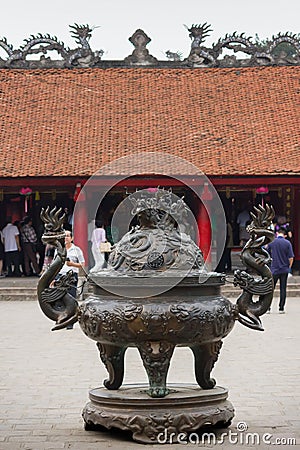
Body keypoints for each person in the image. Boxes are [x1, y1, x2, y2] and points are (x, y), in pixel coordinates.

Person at [55, 230, 85, 328]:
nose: (66, 238)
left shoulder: (76, 250)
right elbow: (55, 264)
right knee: (59, 299)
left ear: (72, 238)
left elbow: (82, 264)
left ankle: (70, 322)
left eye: (68, 236)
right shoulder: (59, 249)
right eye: (64, 236)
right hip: (61, 275)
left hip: (72, 276)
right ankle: (61, 320)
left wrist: (72, 264)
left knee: (71, 299)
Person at [267, 227, 294, 313]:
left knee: (271, 289)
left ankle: (268, 307)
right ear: (285, 235)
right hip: (284, 269)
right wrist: (288, 267)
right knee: (283, 289)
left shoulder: (272, 242)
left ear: (277, 233)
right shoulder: (287, 243)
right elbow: (291, 257)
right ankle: (281, 308)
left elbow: (267, 252)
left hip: (274, 269)